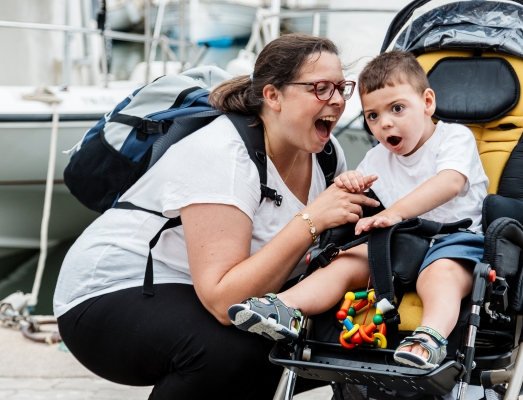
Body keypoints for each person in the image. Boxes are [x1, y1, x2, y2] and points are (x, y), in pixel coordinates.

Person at [53, 34, 380, 399]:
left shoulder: (326, 154)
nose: (336, 100)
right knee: (230, 353)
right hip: (110, 291)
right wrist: (312, 220)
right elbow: (224, 302)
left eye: (340, 87)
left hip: (202, 288)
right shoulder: (223, 153)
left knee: (328, 344)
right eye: (320, 88)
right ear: (272, 96)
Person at [229, 50, 489, 371]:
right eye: (373, 116)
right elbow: (360, 195)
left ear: (427, 103)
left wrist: (395, 212)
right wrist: (349, 182)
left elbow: (450, 182)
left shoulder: (454, 137)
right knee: (345, 262)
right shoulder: (378, 157)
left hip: (454, 240)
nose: (385, 123)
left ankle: (429, 338)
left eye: (397, 108)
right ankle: (285, 308)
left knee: (440, 276)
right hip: (401, 244)